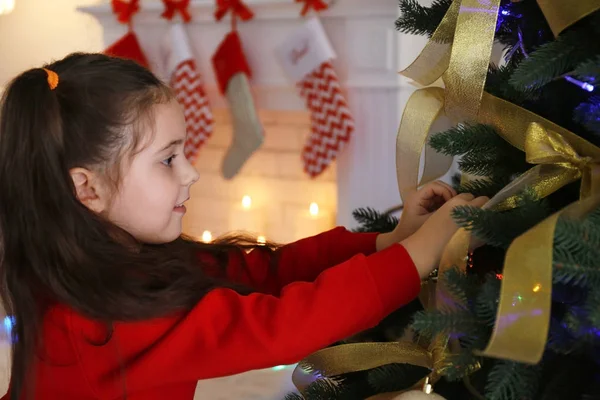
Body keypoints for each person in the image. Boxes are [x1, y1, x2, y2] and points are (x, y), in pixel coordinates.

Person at [0, 53, 487, 400]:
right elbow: (277, 328)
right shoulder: (99, 313)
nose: (191, 172)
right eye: (167, 159)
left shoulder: (120, 257)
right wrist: (418, 256)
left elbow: (260, 272)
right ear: (87, 189)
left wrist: (390, 241)